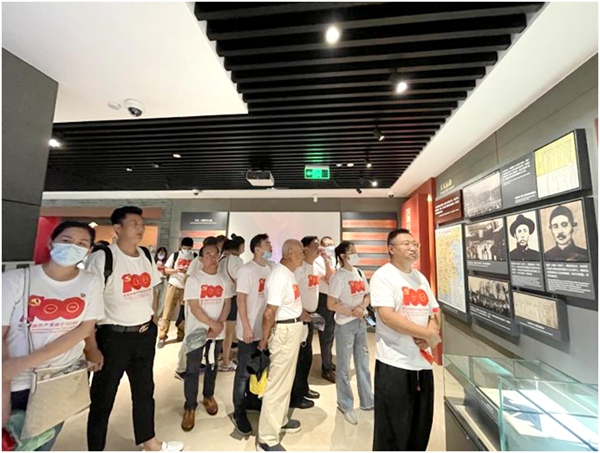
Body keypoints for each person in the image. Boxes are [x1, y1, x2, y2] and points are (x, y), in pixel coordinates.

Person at [84, 206, 182, 452]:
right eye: (134, 224)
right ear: (117, 228)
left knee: (144, 391)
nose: (140, 228)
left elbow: (152, 290)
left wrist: (153, 318)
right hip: (112, 337)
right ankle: (96, 448)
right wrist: (91, 346)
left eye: (142, 224)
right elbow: (88, 303)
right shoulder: (103, 258)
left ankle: (149, 442)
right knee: (103, 398)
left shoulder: (146, 255)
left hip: (143, 335)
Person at [2, 221, 104, 451]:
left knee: (43, 444)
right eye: (66, 241)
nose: (73, 247)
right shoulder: (15, 280)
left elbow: (84, 329)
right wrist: (4, 384)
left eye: (82, 244)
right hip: (16, 383)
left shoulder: (91, 282)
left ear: (89, 251)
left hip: (58, 380)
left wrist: (24, 362)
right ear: (50, 243)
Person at [370, 228, 441, 451]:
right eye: (406, 244)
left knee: (419, 428)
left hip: (422, 363)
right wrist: (425, 334)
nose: (413, 248)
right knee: (393, 431)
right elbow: (387, 316)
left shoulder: (420, 278)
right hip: (395, 363)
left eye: (415, 244)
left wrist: (431, 330)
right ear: (391, 249)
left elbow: (434, 310)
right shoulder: (383, 276)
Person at [257, 240, 307, 451]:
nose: (303, 255)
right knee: (277, 384)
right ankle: (266, 438)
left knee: (286, 380)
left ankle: (280, 419)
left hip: (292, 330)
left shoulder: (288, 274)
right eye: (301, 252)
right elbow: (269, 312)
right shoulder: (279, 276)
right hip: (284, 332)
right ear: (291, 252)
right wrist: (264, 339)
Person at [180, 244, 234, 431]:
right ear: (201, 259)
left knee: (212, 365)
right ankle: (190, 405)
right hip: (197, 331)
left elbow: (227, 304)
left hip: (216, 332)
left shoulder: (224, 280)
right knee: (192, 368)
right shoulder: (194, 279)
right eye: (208, 254)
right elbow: (194, 306)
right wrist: (212, 324)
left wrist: (219, 324)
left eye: (215, 254)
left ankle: (208, 395)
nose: (212, 257)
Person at [327, 241, 374, 425]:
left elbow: (367, 295)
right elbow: (331, 304)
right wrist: (350, 312)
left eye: (355, 251)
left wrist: (361, 308)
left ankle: (367, 401)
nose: (355, 254)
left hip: (360, 323)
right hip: (345, 326)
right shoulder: (338, 277)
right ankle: (345, 404)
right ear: (342, 256)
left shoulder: (359, 273)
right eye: (351, 252)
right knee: (344, 367)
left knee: (363, 363)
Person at [232, 234, 274, 436]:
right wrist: (246, 327)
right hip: (248, 330)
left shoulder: (270, 268)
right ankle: (238, 411)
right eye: (267, 244)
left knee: (258, 366)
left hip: (263, 329)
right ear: (257, 248)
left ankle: (251, 400)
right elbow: (240, 300)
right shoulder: (246, 270)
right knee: (243, 372)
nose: (270, 246)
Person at [290, 236, 322, 410]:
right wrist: (301, 311)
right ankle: (296, 395)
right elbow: (291, 292)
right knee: (299, 358)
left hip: (309, 317)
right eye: (315, 246)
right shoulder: (299, 268)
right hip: (300, 317)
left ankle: (303, 388)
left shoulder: (314, 266)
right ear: (305, 249)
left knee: (307, 356)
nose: (319, 249)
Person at [157, 238, 197, 348]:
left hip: (187, 288)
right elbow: (166, 270)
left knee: (184, 313)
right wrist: (177, 270)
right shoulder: (175, 255)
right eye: (184, 248)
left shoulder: (195, 257)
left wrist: (187, 272)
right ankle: (162, 336)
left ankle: (181, 333)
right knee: (167, 311)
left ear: (192, 247)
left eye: (188, 248)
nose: (186, 250)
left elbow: (197, 272)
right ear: (181, 246)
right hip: (173, 284)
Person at [217, 234, 245, 372]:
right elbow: (241, 282)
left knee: (223, 331)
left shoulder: (223, 259)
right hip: (232, 298)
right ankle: (226, 362)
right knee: (229, 333)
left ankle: (221, 357)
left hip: (220, 298)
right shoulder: (236, 261)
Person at [313, 236, 336, 383]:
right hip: (322, 299)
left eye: (332, 245)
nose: (330, 247)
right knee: (325, 333)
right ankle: (326, 368)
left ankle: (328, 361)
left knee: (331, 332)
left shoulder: (334, 260)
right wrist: (326, 261)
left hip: (334, 298)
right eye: (327, 245)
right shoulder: (318, 261)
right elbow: (330, 278)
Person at [154, 247, 169, 318]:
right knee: (154, 298)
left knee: (162, 299)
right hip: (156, 281)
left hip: (163, 280)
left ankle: (158, 316)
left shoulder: (166, 263)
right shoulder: (153, 262)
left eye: (163, 253)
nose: (162, 255)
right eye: (160, 253)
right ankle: (153, 315)